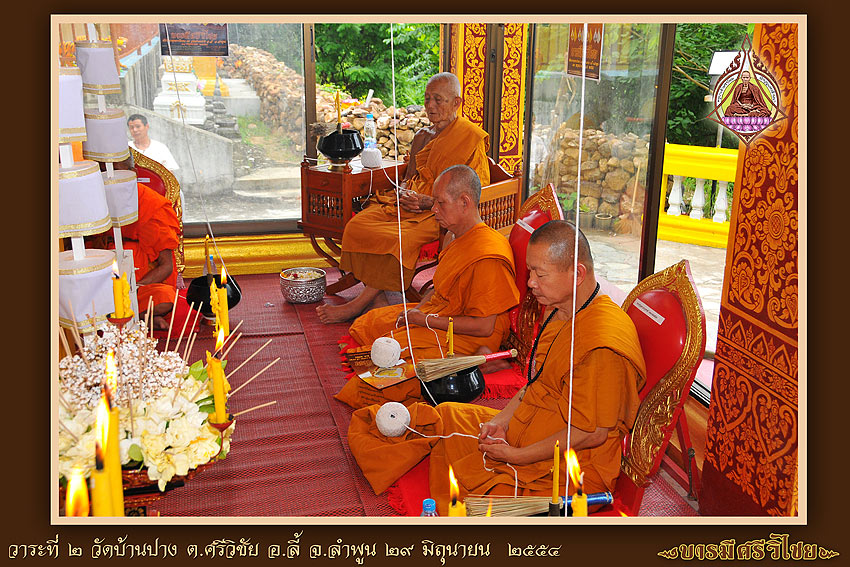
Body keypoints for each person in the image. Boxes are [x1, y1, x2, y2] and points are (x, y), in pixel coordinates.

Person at [348, 220, 647, 515]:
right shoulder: (561, 309)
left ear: (577, 274)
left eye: (540, 274)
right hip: (532, 424)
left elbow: (591, 434)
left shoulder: (601, 345)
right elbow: (536, 383)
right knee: (446, 415)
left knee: (471, 494)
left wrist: (517, 456)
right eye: (530, 272)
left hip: (572, 466)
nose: (530, 283)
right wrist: (501, 421)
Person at [336, 165, 519, 408]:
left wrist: (424, 321)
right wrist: (418, 311)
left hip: (472, 333)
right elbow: (437, 288)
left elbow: (484, 326)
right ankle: (476, 360)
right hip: (443, 314)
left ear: (465, 202)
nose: (433, 209)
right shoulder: (453, 236)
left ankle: (477, 358)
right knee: (369, 324)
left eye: (440, 203)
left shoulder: (487, 255)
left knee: (392, 367)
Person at [316, 72, 491, 324]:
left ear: (456, 103)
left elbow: (475, 190)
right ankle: (378, 297)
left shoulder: (470, 137)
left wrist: (429, 202)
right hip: (408, 204)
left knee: (398, 239)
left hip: (441, 212)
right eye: (427, 98)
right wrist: (404, 192)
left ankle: (357, 304)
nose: (430, 105)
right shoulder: (422, 136)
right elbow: (409, 177)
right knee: (358, 225)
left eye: (438, 99)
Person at [96, 154, 180, 330]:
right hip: (102, 283)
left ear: (132, 173)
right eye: (104, 172)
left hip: (139, 285)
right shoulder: (94, 201)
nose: (110, 178)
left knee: (164, 298)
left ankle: (123, 315)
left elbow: (166, 266)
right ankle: (142, 318)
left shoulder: (152, 204)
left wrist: (131, 290)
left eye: (116, 172)